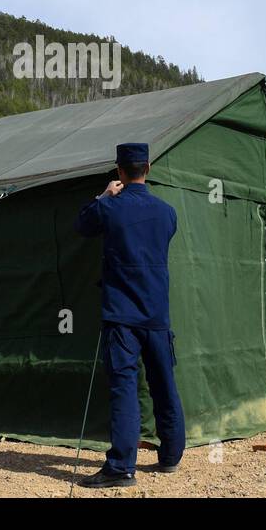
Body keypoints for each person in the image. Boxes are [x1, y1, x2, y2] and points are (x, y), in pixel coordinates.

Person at [74, 143, 183, 489]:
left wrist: (103, 196)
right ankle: (170, 457)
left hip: (122, 315)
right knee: (164, 385)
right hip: (157, 315)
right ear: (148, 167)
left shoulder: (111, 208)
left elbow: (83, 224)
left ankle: (121, 466)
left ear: (119, 171)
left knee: (125, 388)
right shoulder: (168, 213)